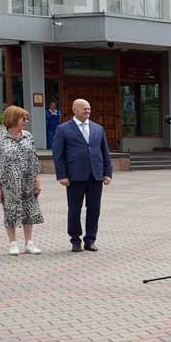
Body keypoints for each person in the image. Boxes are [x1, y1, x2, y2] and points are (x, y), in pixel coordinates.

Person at [52, 98, 112, 253]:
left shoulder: (98, 128)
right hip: (74, 177)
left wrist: (107, 172)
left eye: (89, 108)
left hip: (95, 176)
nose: (88, 111)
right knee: (74, 210)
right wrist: (62, 175)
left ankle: (90, 239)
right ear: (74, 110)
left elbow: (105, 152)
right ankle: (75, 240)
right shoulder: (63, 129)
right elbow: (58, 155)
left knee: (94, 209)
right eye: (84, 108)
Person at [0, 105, 44, 255]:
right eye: (23, 118)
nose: (26, 121)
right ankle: (13, 243)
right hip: (8, 182)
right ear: (13, 119)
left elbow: (34, 159)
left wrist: (37, 180)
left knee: (29, 211)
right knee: (10, 211)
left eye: (27, 118)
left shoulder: (28, 136)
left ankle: (29, 243)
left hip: (28, 180)